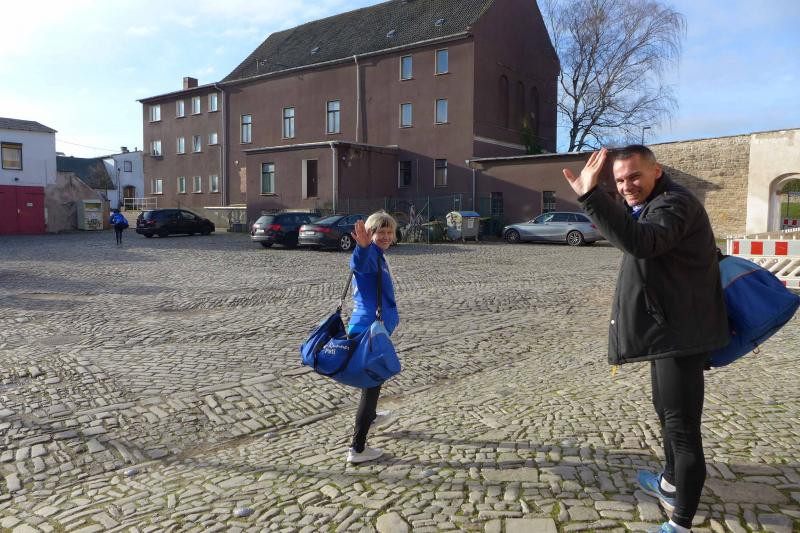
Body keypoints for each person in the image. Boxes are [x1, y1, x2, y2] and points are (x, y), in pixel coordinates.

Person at [563, 146, 728, 533]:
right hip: (666, 329)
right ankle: (670, 482)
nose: (626, 186)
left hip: (681, 333)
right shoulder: (653, 204)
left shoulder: (675, 204)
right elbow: (632, 235)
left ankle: (681, 523)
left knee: (682, 428)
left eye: (634, 176)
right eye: (619, 180)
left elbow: (641, 242)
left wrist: (590, 196)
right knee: (665, 413)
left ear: (656, 171)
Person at [345, 211, 400, 464]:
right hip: (368, 330)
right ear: (370, 234)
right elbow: (359, 264)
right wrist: (363, 248)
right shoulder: (369, 255)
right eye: (380, 232)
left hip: (374, 329)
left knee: (373, 381)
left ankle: (373, 416)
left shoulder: (379, 255)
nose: (386, 236)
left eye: (389, 232)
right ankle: (357, 449)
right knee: (371, 386)